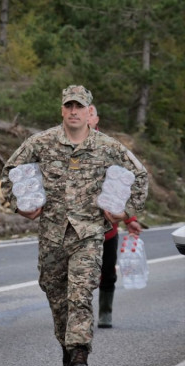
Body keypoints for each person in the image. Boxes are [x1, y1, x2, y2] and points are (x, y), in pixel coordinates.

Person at [0, 85, 148, 366]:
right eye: (68, 106)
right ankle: (69, 354)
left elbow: (140, 176)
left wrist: (123, 211)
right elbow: (10, 171)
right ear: (62, 110)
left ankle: (80, 357)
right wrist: (22, 206)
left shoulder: (108, 147)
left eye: (79, 106)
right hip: (52, 235)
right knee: (56, 296)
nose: (73, 111)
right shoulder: (41, 143)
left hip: (89, 235)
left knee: (80, 294)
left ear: (88, 110)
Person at [88, 105, 143, 329]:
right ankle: (75, 315)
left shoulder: (110, 147)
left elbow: (125, 182)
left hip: (106, 226)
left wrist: (129, 218)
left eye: (90, 113)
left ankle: (105, 312)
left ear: (96, 118)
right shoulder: (63, 144)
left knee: (107, 271)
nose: (86, 117)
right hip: (74, 227)